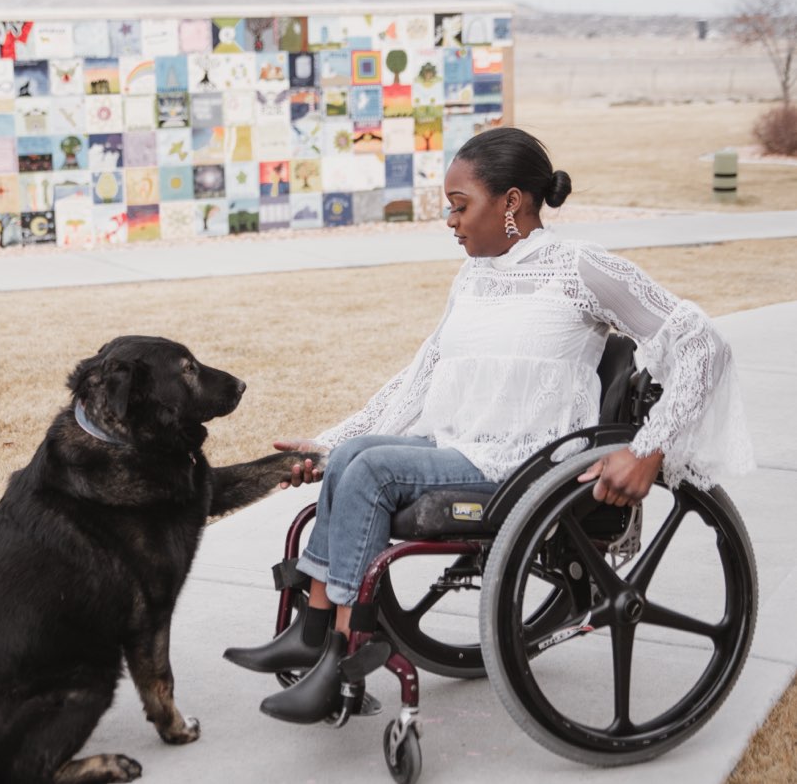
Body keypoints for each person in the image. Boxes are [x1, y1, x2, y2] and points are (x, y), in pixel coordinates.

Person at [223, 126, 754, 723]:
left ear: (511, 202)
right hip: (462, 446)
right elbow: (421, 376)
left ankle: (342, 648)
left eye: (459, 205)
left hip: (525, 463)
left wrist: (651, 448)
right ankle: (316, 627)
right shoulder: (473, 276)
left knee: (369, 467)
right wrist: (329, 444)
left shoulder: (578, 267)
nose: (451, 221)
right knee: (353, 457)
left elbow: (703, 345)